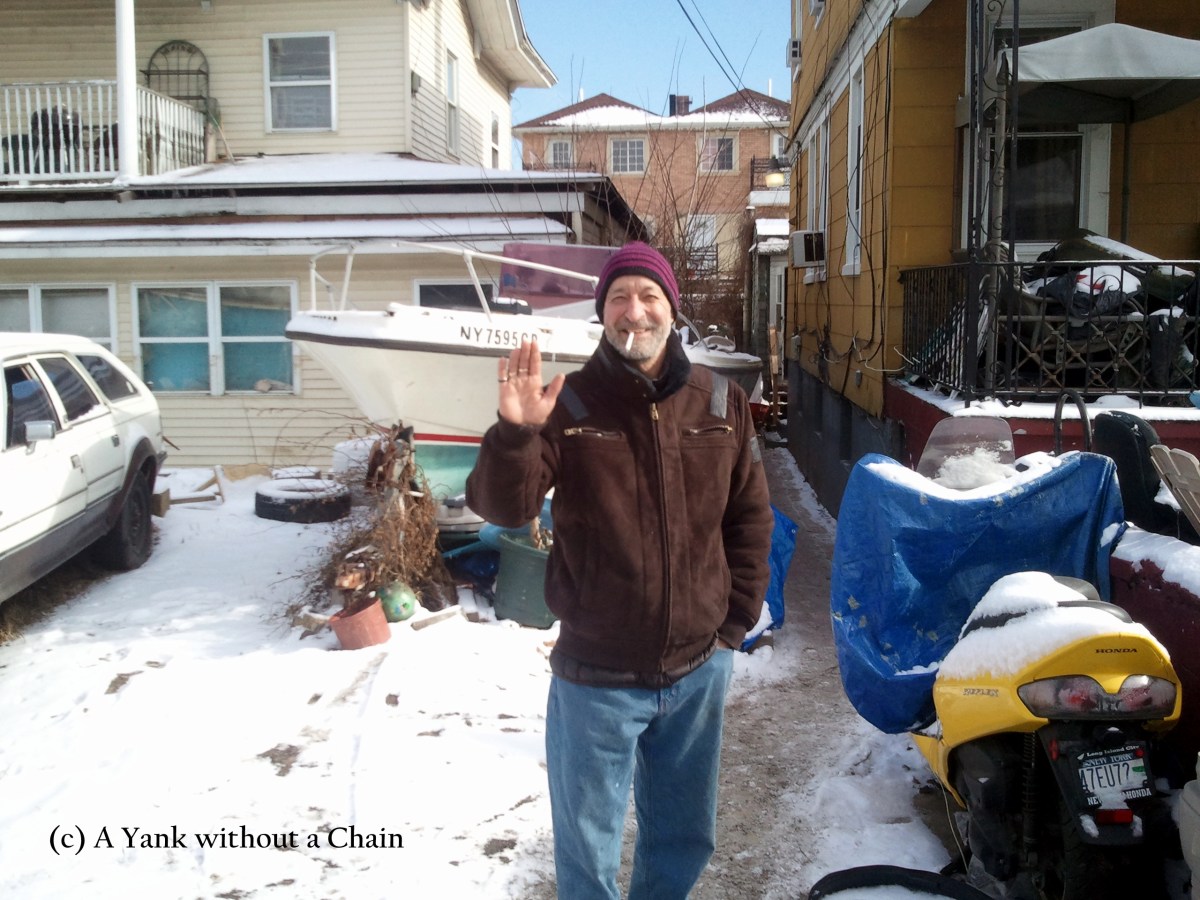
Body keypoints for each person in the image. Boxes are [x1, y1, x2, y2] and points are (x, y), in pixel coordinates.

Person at [465, 241, 773, 899]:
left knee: (685, 835)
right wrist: (516, 434)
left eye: (649, 296)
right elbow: (503, 508)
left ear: (672, 307)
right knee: (587, 848)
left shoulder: (721, 402)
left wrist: (732, 625)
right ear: (603, 311)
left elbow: (750, 521)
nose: (635, 312)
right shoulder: (570, 404)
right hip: (596, 675)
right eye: (619, 298)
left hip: (698, 669)